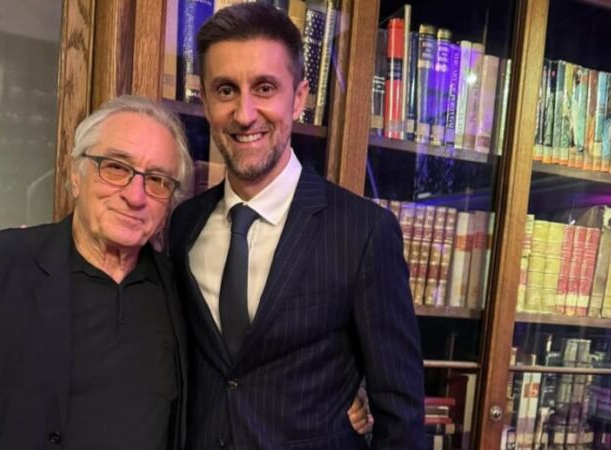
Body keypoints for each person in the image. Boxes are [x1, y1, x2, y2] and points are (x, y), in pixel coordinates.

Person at [168, 3, 425, 449]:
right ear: (206, 101)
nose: (244, 114)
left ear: (300, 97)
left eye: (264, 87)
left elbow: (401, 415)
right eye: (225, 90)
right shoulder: (184, 224)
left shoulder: (364, 233)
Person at [0, 96, 195, 450]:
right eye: (116, 167)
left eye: (157, 180)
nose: (136, 196)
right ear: (76, 174)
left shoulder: (179, 292)